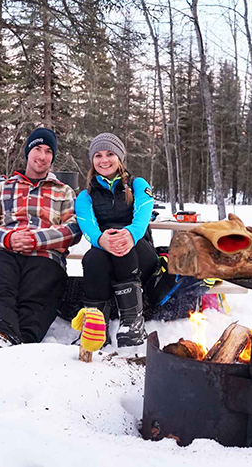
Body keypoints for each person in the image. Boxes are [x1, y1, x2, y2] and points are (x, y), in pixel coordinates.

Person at [0, 128, 82, 348]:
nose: (42, 156)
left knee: (38, 293)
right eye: (37, 149)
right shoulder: (2, 188)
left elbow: (74, 229)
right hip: (6, 252)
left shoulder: (63, 191)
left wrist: (38, 239)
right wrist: (9, 238)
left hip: (46, 256)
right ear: (28, 152)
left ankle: (20, 341)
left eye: (48, 151)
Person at [75, 133, 156, 347]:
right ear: (92, 160)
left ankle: (132, 321)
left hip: (140, 252)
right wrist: (101, 240)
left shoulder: (137, 184)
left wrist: (129, 234)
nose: (104, 160)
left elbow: (142, 215)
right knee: (92, 258)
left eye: (110, 154)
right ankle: (95, 327)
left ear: (120, 157)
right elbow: (88, 227)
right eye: (98, 155)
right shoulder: (86, 195)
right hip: (106, 250)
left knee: (122, 244)